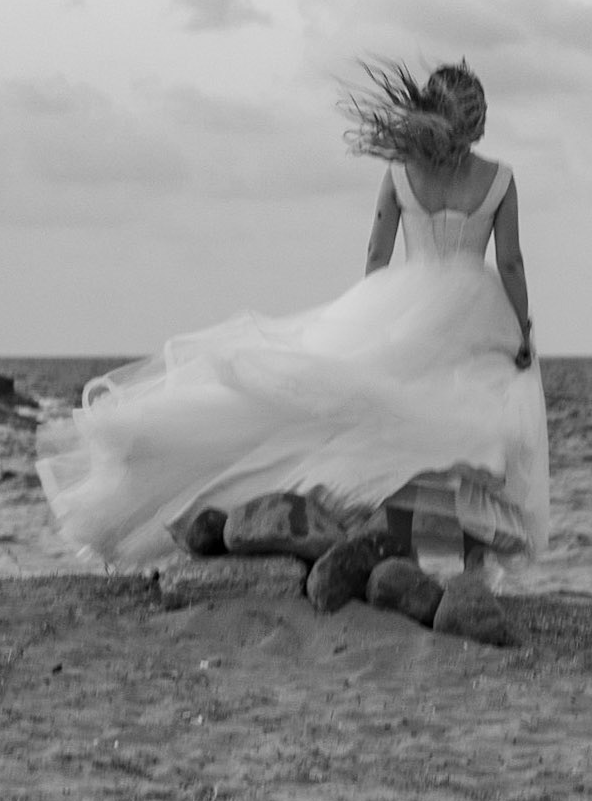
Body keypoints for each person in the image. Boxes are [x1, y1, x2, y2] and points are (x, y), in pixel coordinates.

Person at [38, 59, 549, 571]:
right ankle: (468, 568)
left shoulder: (400, 172)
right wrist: (522, 328)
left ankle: (402, 558)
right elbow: (509, 261)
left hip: (403, 304)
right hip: (475, 315)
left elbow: (376, 256)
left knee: (390, 428)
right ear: (476, 117)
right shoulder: (498, 178)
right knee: (468, 434)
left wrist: (373, 321)